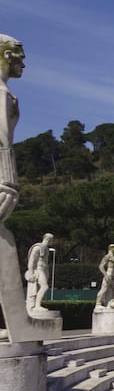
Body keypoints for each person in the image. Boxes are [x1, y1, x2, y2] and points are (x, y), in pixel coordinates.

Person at [0, 35, 25, 223]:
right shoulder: (2, 93)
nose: (23, 66)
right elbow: (2, 135)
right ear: (8, 55)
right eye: (20, 59)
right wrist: (8, 179)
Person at [25, 232, 53, 311]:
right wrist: (31, 273)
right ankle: (37, 306)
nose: (52, 241)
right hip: (38, 270)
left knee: (40, 288)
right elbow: (31, 261)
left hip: (43, 270)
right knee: (45, 286)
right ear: (48, 239)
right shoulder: (38, 247)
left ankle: (36, 305)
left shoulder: (46, 248)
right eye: (52, 240)